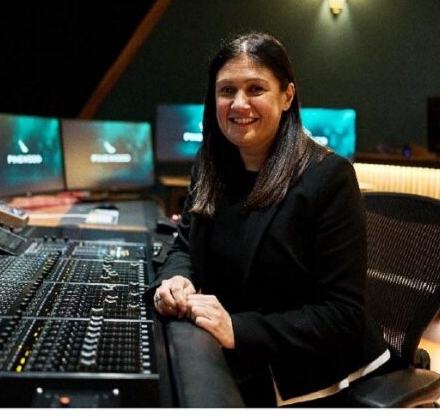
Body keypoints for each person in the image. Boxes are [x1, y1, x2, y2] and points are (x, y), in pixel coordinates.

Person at [145, 32, 391, 407]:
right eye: (227, 91)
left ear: (287, 96)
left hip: (307, 368)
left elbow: (341, 316)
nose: (239, 103)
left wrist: (237, 330)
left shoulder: (329, 178)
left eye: (255, 89)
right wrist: (176, 280)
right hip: (233, 350)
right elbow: (184, 245)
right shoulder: (210, 165)